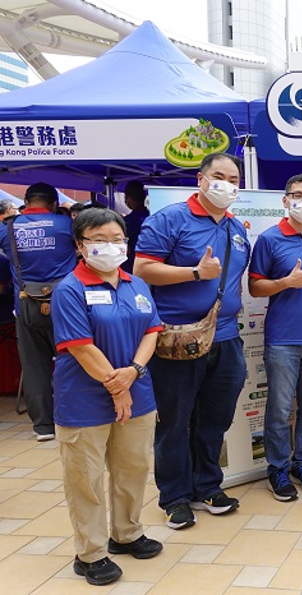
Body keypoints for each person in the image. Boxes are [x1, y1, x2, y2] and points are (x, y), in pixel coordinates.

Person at [134, 153, 250, 529]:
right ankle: (175, 496)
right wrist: (195, 272)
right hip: (177, 340)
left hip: (227, 337)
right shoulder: (169, 220)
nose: (226, 184)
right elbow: (142, 269)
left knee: (215, 419)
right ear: (200, 179)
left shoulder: (237, 228)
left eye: (234, 178)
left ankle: (207, 486)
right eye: (219, 176)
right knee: (175, 421)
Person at [51, 209, 164, 586]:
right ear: (81, 245)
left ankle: (127, 533)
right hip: (84, 399)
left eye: (118, 238)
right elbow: (81, 348)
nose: (110, 246)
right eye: (100, 238)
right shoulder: (70, 288)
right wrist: (117, 387)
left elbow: (152, 330)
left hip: (138, 392)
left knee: (132, 469)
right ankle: (91, 553)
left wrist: (132, 373)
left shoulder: (136, 284)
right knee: (85, 478)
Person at [248, 174, 302, 501]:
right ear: (285, 200)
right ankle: (278, 467)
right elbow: (255, 287)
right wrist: (286, 282)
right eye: (298, 195)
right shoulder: (269, 239)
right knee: (280, 410)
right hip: (282, 340)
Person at [0, 182, 77, 441]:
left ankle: (43, 426)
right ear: (54, 203)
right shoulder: (67, 226)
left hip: (24, 305)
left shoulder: (7, 228)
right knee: (74, 360)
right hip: (66, 305)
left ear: (27, 200)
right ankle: (74, 416)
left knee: (34, 366)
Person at [122, 181, 150, 274]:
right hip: (151, 263)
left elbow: (124, 247)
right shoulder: (153, 217)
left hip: (131, 265)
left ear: (128, 197)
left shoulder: (127, 221)